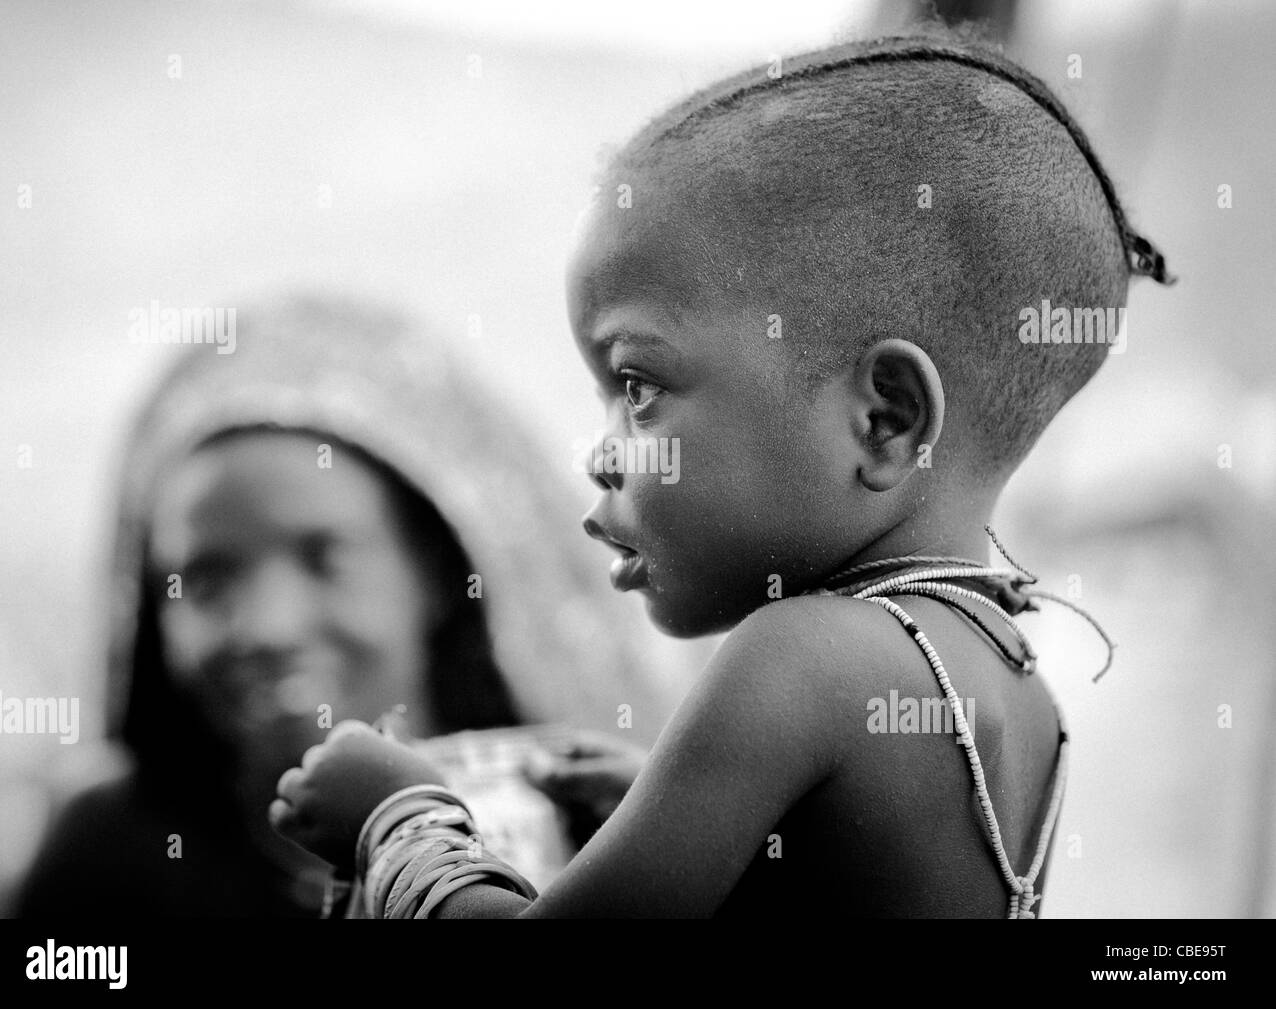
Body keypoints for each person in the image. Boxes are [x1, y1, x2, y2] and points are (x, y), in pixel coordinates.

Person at [269, 30, 1173, 918]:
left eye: (636, 384)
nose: (603, 451)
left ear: (885, 419)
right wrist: (679, 808)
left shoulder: (795, 658)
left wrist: (399, 819)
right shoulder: (1023, 691)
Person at [11, 294, 671, 916]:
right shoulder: (109, 852)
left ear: (438, 571)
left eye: (324, 558)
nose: (267, 626)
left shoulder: (589, 810)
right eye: (205, 579)